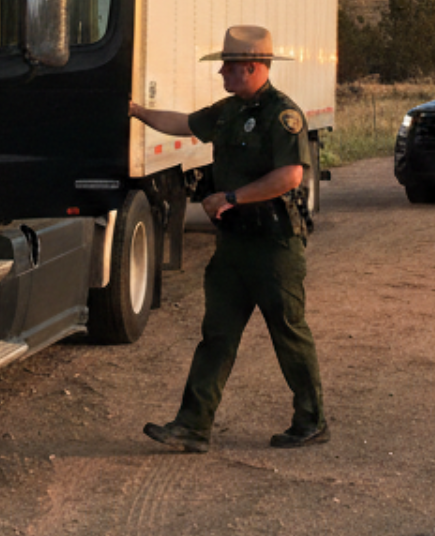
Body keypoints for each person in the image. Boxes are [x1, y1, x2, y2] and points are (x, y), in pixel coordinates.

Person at [129, 24, 328, 452]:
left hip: (274, 245)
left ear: (252, 67)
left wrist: (232, 197)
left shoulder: (282, 114)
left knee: (288, 332)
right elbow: (183, 123)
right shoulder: (230, 110)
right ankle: (192, 425)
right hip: (234, 245)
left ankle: (311, 420)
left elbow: (290, 175)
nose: (222, 73)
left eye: (229, 67)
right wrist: (138, 112)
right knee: (217, 335)